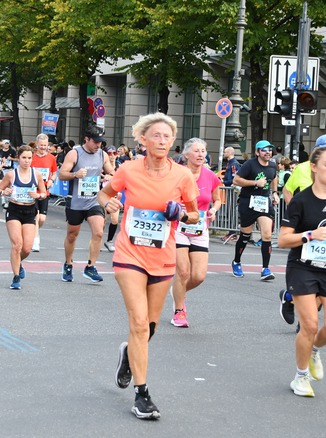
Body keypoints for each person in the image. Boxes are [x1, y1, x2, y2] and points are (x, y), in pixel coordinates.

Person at [97, 112, 199, 420]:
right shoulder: (128, 169)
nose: (163, 140)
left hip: (163, 258)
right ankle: (142, 395)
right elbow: (106, 193)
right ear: (143, 139)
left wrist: (181, 213)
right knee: (139, 323)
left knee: (149, 327)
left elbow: (195, 215)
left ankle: (129, 355)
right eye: (156, 135)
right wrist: (108, 203)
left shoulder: (182, 176)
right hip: (129, 255)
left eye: (167, 136)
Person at [278, 145, 326, 397]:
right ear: (314, 167)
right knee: (310, 325)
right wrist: (309, 235)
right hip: (302, 267)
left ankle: (313, 350)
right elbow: (283, 239)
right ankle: (300, 377)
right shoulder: (301, 200)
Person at [170, 138, 222, 327]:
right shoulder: (178, 175)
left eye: (203, 151)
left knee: (198, 276)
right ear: (186, 155)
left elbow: (217, 199)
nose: (201, 154)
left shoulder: (210, 176)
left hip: (200, 228)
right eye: (196, 151)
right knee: (183, 272)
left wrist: (214, 210)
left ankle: (178, 292)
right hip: (179, 227)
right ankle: (179, 310)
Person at [58, 125, 114, 283]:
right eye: (95, 142)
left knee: (98, 232)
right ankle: (68, 264)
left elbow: (111, 171)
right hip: (76, 202)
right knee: (72, 235)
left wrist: (109, 176)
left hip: (93, 201)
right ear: (87, 139)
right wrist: (75, 174)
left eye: (101, 142)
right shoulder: (74, 153)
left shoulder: (102, 155)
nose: (98, 145)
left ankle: (90, 267)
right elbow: (62, 174)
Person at [0, 145, 46, 289]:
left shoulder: (36, 175)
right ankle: (16, 277)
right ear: (19, 158)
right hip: (14, 210)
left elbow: (44, 193)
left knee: (27, 248)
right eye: (24, 158)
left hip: (30, 211)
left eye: (29, 158)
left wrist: (39, 195)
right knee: (17, 245)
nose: (27, 161)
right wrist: (4, 192)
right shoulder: (12, 174)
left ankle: (17, 261)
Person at [230, 140, 279, 281]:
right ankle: (237, 261)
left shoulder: (272, 165)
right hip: (248, 202)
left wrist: (275, 192)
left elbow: (274, 177)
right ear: (257, 152)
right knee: (245, 235)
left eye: (269, 149)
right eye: (264, 150)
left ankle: (265, 269)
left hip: (264, 202)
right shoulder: (250, 164)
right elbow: (236, 180)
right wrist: (255, 183)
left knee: (267, 235)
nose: (268, 152)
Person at [30, 133, 58, 252]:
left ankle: (34, 230)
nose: (43, 147)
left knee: (42, 219)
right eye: (41, 145)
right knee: (36, 216)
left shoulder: (51, 158)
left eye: (45, 145)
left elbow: (54, 172)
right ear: (37, 144)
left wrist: (51, 180)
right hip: (33, 191)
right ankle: (36, 240)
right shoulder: (31, 157)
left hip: (44, 191)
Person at [103, 145, 122, 252]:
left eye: (114, 153)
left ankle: (109, 241)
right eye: (110, 154)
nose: (112, 156)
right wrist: (103, 179)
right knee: (103, 221)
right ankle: (97, 239)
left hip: (115, 196)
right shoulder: (102, 166)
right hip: (104, 196)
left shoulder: (119, 166)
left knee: (114, 219)